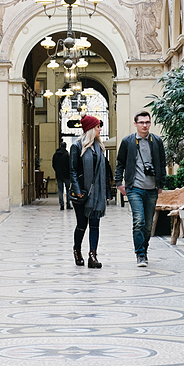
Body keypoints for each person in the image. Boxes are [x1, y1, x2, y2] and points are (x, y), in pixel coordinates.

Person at [115, 111, 166, 267]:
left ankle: (144, 248)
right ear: (135, 124)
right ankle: (140, 255)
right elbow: (120, 163)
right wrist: (119, 183)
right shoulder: (128, 142)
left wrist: (160, 184)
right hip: (134, 187)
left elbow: (162, 163)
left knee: (149, 224)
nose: (145, 125)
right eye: (141, 122)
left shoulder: (156, 141)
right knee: (139, 220)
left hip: (152, 188)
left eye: (147, 122)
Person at [69, 114, 109, 268]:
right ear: (91, 129)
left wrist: (107, 192)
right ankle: (77, 250)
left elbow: (104, 171)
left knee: (95, 224)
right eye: (97, 126)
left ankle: (93, 256)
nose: (100, 129)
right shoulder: (77, 146)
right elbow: (72, 171)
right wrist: (78, 190)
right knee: (81, 225)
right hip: (82, 194)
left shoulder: (99, 147)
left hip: (97, 193)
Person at [52, 141, 72, 210]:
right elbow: (70, 165)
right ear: (65, 146)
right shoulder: (67, 155)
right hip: (66, 175)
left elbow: (53, 165)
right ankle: (68, 204)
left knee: (60, 190)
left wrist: (57, 171)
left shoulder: (55, 155)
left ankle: (62, 205)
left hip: (59, 175)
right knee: (68, 190)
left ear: (60, 146)